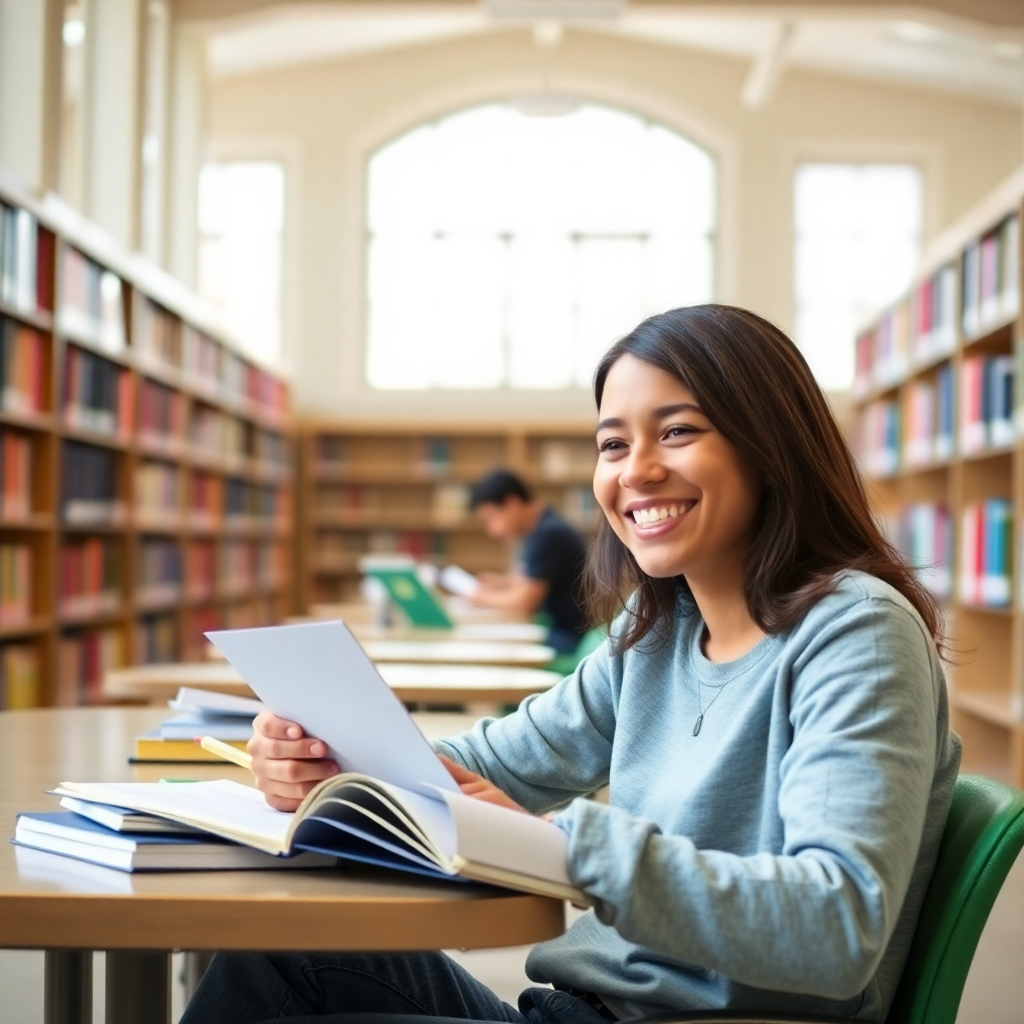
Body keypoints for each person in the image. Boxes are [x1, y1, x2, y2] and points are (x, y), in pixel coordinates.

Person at [182, 305, 961, 1024]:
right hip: (577, 1008)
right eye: (613, 443)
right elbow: (486, 763)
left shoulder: (855, 632)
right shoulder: (655, 630)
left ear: (770, 447)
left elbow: (838, 925)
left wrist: (567, 849)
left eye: (679, 431)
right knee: (281, 947)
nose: (636, 470)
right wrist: (324, 763)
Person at [466, 469, 589, 654]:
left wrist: (482, 597)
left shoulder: (549, 535)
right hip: (557, 631)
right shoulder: (539, 529)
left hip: (566, 638)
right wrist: (500, 583)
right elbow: (527, 580)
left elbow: (524, 603)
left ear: (512, 504)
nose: (493, 531)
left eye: (492, 518)